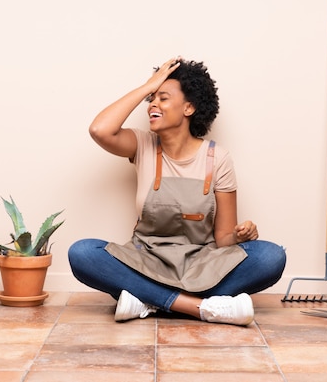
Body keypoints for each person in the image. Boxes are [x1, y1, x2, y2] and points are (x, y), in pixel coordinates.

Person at [68, 57, 286, 326]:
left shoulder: (217, 158)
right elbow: (100, 129)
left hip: (202, 264)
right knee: (82, 253)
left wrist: (244, 233)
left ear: (189, 107)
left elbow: (223, 238)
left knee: (271, 256)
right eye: (152, 99)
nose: (153, 105)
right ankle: (200, 308)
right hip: (147, 260)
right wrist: (149, 85)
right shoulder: (142, 145)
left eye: (163, 98)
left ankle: (148, 300)